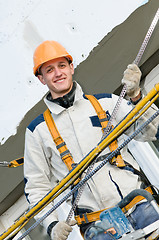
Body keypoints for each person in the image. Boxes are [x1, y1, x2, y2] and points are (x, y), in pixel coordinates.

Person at [24, 40, 159, 240]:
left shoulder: (106, 103)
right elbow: (36, 187)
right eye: (49, 70)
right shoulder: (38, 131)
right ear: (41, 78)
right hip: (99, 228)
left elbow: (153, 132)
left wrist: (137, 97)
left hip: (140, 206)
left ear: (71, 67)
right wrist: (52, 225)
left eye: (62, 66)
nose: (58, 73)